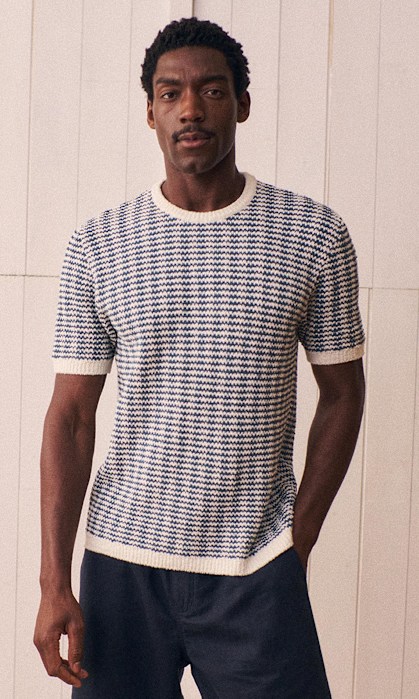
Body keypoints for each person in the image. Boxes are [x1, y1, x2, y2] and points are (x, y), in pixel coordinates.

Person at [34, 16, 365, 699]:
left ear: (242, 104)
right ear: (150, 111)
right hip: (121, 567)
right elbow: (70, 417)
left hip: (255, 569)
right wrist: (53, 582)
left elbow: (343, 393)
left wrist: (296, 541)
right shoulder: (100, 244)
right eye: (170, 92)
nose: (190, 108)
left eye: (212, 91)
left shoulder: (313, 234)